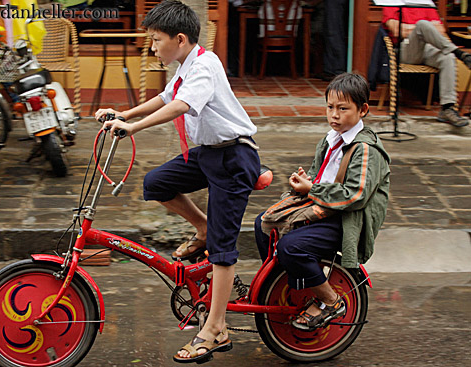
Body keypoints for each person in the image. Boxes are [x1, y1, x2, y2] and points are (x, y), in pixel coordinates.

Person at [95, 0, 260, 363]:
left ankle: (216, 328)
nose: (152, 47)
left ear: (180, 39)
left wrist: (133, 127)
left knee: (222, 248)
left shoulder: (204, 65)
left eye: (156, 40)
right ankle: (202, 226)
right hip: (209, 154)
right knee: (156, 184)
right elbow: (165, 98)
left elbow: (181, 106)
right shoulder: (186, 66)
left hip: (234, 157)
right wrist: (123, 113)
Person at [254, 73, 390, 331]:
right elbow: (322, 178)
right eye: (330, 107)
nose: (334, 115)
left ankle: (330, 300)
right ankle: (284, 286)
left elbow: (355, 195)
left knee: (291, 247)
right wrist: (308, 181)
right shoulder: (329, 140)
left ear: (363, 110)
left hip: (346, 221)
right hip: (322, 209)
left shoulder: (366, 149)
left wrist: (312, 188)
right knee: (264, 223)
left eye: (343, 108)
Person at [383, 6, 471, 127]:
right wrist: (423, 29)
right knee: (422, 25)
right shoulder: (392, 4)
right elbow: (398, 31)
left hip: (429, 49)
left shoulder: (425, 5)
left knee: (448, 57)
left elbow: (441, 31)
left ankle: (447, 108)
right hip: (407, 49)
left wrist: (412, 28)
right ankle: (459, 53)